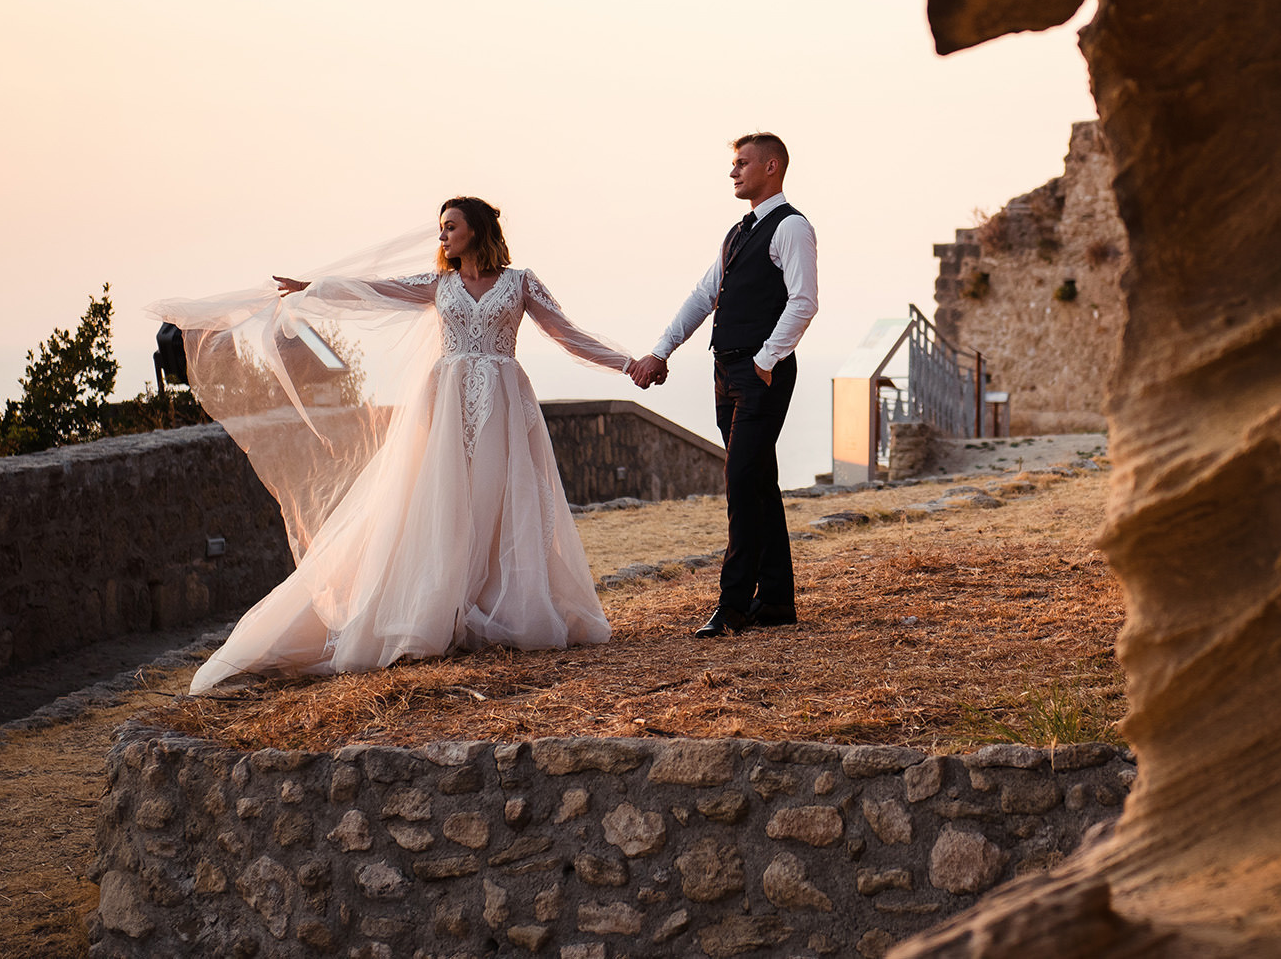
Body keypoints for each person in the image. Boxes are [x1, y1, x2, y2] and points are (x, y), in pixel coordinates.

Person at [157, 197, 633, 693]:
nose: (442, 236)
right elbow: (372, 292)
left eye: (450, 227)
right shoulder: (440, 285)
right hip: (445, 409)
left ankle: (499, 608)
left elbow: (567, 334)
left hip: (504, 407)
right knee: (443, 503)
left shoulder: (520, 283)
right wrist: (313, 289)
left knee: (501, 502)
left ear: (476, 230)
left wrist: (628, 364)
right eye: (441, 228)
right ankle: (438, 610)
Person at [630, 133, 819, 636]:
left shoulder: (792, 226)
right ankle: (775, 601)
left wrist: (766, 359)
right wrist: (661, 351)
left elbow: (804, 300)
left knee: (740, 484)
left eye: (742, 163)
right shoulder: (737, 232)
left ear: (771, 167)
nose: (733, 172)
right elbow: (703, 296)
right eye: (733, 164)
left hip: (760, 374)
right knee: (757, 484)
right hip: (726, 373)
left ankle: (733, 604)